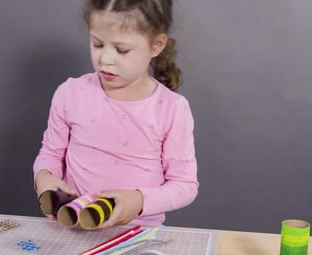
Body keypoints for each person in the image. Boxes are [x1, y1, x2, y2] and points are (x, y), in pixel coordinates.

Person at [33, 0, 198, 228]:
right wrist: (44, 177)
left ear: (156, 45)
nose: (105, 59)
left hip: (137, 235)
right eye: (97, 44)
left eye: (121, 50)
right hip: (73, 229)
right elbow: (51, 153)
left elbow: (185, 185)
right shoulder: (70, 93)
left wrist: (140, 200)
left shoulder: (171, 108)